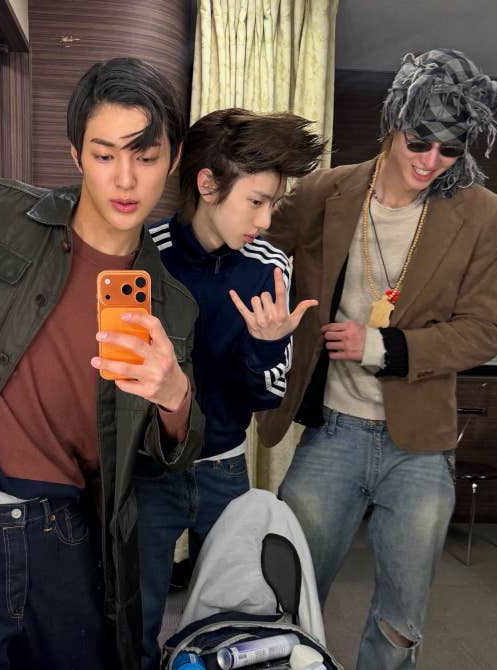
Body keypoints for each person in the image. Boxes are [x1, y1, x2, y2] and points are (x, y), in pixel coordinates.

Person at [0, 57, 204, 670]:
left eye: (145, 157)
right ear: (75, 154)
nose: (125, 179)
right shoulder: (0, 211)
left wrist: (175, 393)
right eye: (104, 154)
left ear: (172, 161)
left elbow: (169, 454)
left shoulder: (173, 305)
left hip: (64, 526)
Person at [257, 49, 497, 669]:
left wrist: (385, 347)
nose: (430, 160)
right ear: (394, 121)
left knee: (401, 621)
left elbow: (485, 330)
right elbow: (253, 240)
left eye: (449, 149)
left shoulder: (481, 212)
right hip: (332, 433)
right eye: (419, 141)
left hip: (420, 446)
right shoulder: (329, 191)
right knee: (288, 601)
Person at [138, 108, 325, 669]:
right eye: (257, 201)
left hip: (223, 466)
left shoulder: (269, 265)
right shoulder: (144, 253)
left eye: (273, 205)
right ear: (207, 183)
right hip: (149, 468)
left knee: (235, 618)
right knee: (135, 614)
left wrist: (267, 346)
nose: (265, 221)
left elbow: (268, 394)